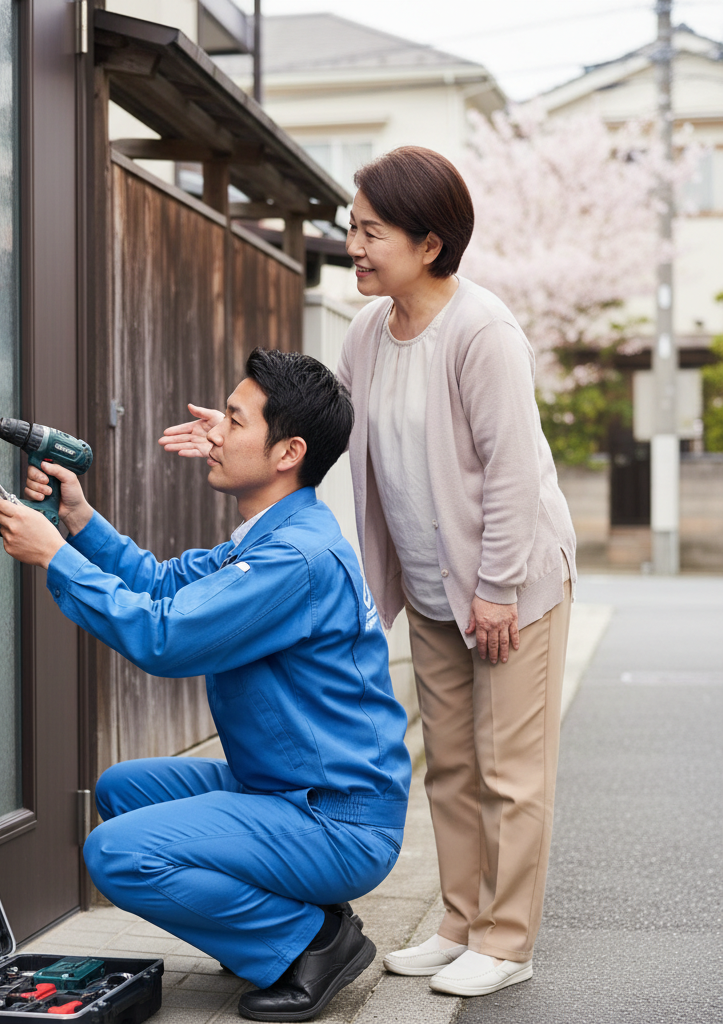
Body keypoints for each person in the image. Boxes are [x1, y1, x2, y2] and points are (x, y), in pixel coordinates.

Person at [158, 147, 577, 999]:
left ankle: (507, 937)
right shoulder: (367, 333)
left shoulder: (482, 330)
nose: (351, 244)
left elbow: (511, 473)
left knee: (510, 770)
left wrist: (497, 587)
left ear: (428, 243)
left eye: (369, 231)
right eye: (351, 227)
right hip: (430, 589)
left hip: (510, 588)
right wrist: (237, 438)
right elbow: (322, 432)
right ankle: (460, 921)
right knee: (452, 764)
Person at [0, 348, 412, 1022]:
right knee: (122, 791)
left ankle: (308, 941)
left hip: (334, 818)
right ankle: (285, 914)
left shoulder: (293, 557)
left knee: (117, 853)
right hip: (285, 788)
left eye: (235, 420)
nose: (214, 431)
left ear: (288, 452)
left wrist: (56, 558)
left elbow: (168, 639)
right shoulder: (276, 533)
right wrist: (76, 519)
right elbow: (163, 586)